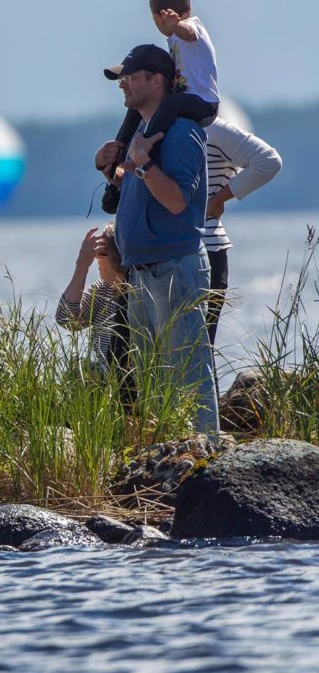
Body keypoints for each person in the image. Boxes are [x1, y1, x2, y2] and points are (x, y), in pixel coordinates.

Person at [94, 44, 218, 435]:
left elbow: (178, 201)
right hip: (143, 273)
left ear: (157, 80)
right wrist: (109, 169)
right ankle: (171, 459)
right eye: (122, 79)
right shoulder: (144, 133)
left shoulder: (180, 131)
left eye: (130, 77)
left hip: (174, 269)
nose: (123, 86)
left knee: (188, 373)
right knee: (155, 381)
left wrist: (144, 163)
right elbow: (139, 196)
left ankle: (205, 459)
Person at [101, 0, 219, 212]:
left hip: (203, 104)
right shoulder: (174, 39)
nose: (162, 26)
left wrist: (177, 25)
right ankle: (117, 167)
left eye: (160, 21)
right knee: (134, 112)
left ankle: (145, 152)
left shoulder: (192, 27)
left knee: (171, 104)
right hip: (185, 99)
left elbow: (190, 33)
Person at [201, 116, 282, 343]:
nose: (124, 85)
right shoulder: (148, 123)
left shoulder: (210, 127)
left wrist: (218, 200)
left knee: (197, 351)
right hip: (159, 252)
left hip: (206, 247)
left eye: (132, 78)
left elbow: (269, 161)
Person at [56, 225, 131, 381]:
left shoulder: (142, 290)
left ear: (116, 257)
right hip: (104, 380)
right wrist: (81, 266)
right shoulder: (103, 290)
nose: (96, 259)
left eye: (100, 254)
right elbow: (68, 320)